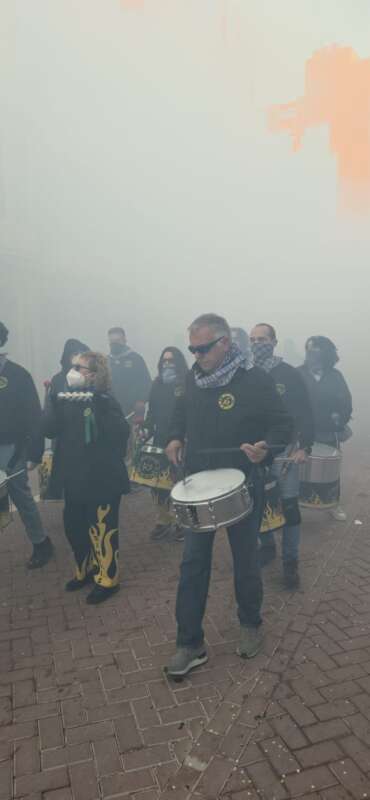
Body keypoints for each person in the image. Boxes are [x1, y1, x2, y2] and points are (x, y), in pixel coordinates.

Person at [165, 313, 293, 677]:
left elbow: (283, 422)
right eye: (192, 349)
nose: (196, 356)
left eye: (203, 348)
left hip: (242, 482)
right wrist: (174, 437)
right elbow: (179, 412)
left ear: (224, 343)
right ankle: (189, 643)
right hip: (198, 485)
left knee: (245, 559)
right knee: (192, 564)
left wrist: (266, 448)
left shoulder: (254, 379)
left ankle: (250, 623)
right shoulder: (192, 378)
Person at [43, 351, 130, 604]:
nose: (72, 371)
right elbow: (48, 429)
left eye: (78, 367)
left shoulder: (106, 400)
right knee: (74, 526)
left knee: (101, 527)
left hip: (102, 478)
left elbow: (120, 434)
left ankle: (107, 578)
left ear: (93, 374)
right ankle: (85, 568)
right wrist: (50, 400)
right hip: (75, 476)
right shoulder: (66, 399)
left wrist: (98, 408)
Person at [250, 323, 314, 588]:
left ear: (274, 342)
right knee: (260, 504)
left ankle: (290, 563)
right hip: (254, 453)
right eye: (252, 340)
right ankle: (266, 547)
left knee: (289, 509)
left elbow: (305, 412)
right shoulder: (245, 374)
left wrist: (304, 446)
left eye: (262, 339)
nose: (256, 344)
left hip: (285, 453)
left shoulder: (289, 375)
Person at [0, 321, 53, 568]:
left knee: (20, 496)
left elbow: (34, 415)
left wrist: (35, 451)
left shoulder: (18, 375)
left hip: (13, 448)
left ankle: (41, 543)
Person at [299, 336, 352, 522]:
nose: (311, 355)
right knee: (299, 468)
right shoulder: (297, 373)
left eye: (315, 351)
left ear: (326, 353)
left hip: (329, 431)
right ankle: (296, 503)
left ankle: (333, 504)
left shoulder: (336, 376)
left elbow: (346, 402)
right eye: (308, 351)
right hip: (301, 432)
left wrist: (339, 420)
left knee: (331, 468)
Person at [142, 347, 188, 541]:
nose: (167, 364)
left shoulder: (187, 383)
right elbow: (151, 411)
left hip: (181, 441)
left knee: (180, 482)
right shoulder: (157, 384)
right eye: (164, 361)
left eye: (171, 361)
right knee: (158, 484)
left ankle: (183, 523)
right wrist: (146, 427)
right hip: (160, 439)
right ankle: (163, 520)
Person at [42, 338, 90, 500]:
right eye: (74, 353)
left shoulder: (90, 376)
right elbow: (51, 409)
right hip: (63, 436)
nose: (77, 357)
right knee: (65, 477)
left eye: (81, 353)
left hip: (87, 435)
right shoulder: (57, 379)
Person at [108, 327, 151, 421]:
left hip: (132, 411)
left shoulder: (136, 359)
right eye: (112, 341)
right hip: (111, 410)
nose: (114, 344)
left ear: (124, 340)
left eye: (117, 340)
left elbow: (146, 383)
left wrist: (142, 400)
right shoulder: (106, 361)